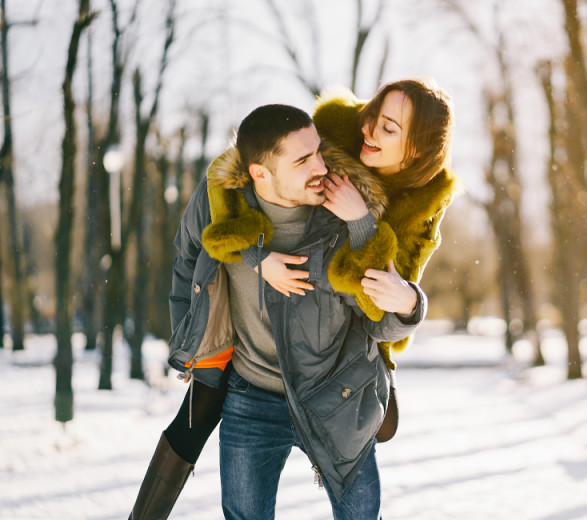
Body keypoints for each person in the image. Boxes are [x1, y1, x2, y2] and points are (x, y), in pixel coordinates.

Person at [129, 78, 457, 518]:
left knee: (368, 479)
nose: (369, 131)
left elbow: (385, 307)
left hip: (336, 383)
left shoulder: (403, 213)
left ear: (414, 152)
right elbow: (242, 170)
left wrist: (365, 231)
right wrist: (253, 256)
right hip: (253, 387)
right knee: (195, 420)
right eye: (374, 116)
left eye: (389, 128)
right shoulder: (326, 142)